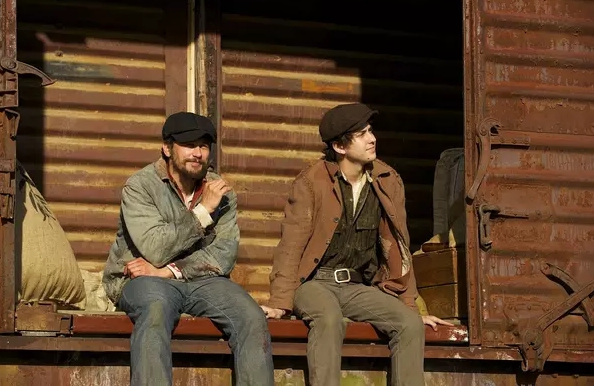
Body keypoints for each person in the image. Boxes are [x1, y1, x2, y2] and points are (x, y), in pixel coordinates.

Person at [261, 103, 453, 386]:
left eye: (371, 131)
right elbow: (291, 245)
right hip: (313, 284)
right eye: (362, 134)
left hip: (356, 286)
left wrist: (409, 306)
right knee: (329, 318)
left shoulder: (387, 180)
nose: (372, 139)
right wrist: (280, 302)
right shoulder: (311, 182)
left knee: (410, 325)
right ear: (340, 146)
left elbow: (398, 247)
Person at [103, 112, 274, 386]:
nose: (197, 153)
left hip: (199, 280)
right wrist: (203, 211)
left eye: (204, 146)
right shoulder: (141, 186)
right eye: (189, 145)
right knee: (155, 309)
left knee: (251, 316)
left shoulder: (221, 191)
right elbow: (154, 248)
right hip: (141, 279)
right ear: (167, 148)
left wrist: (170, 271)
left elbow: (224, 255)